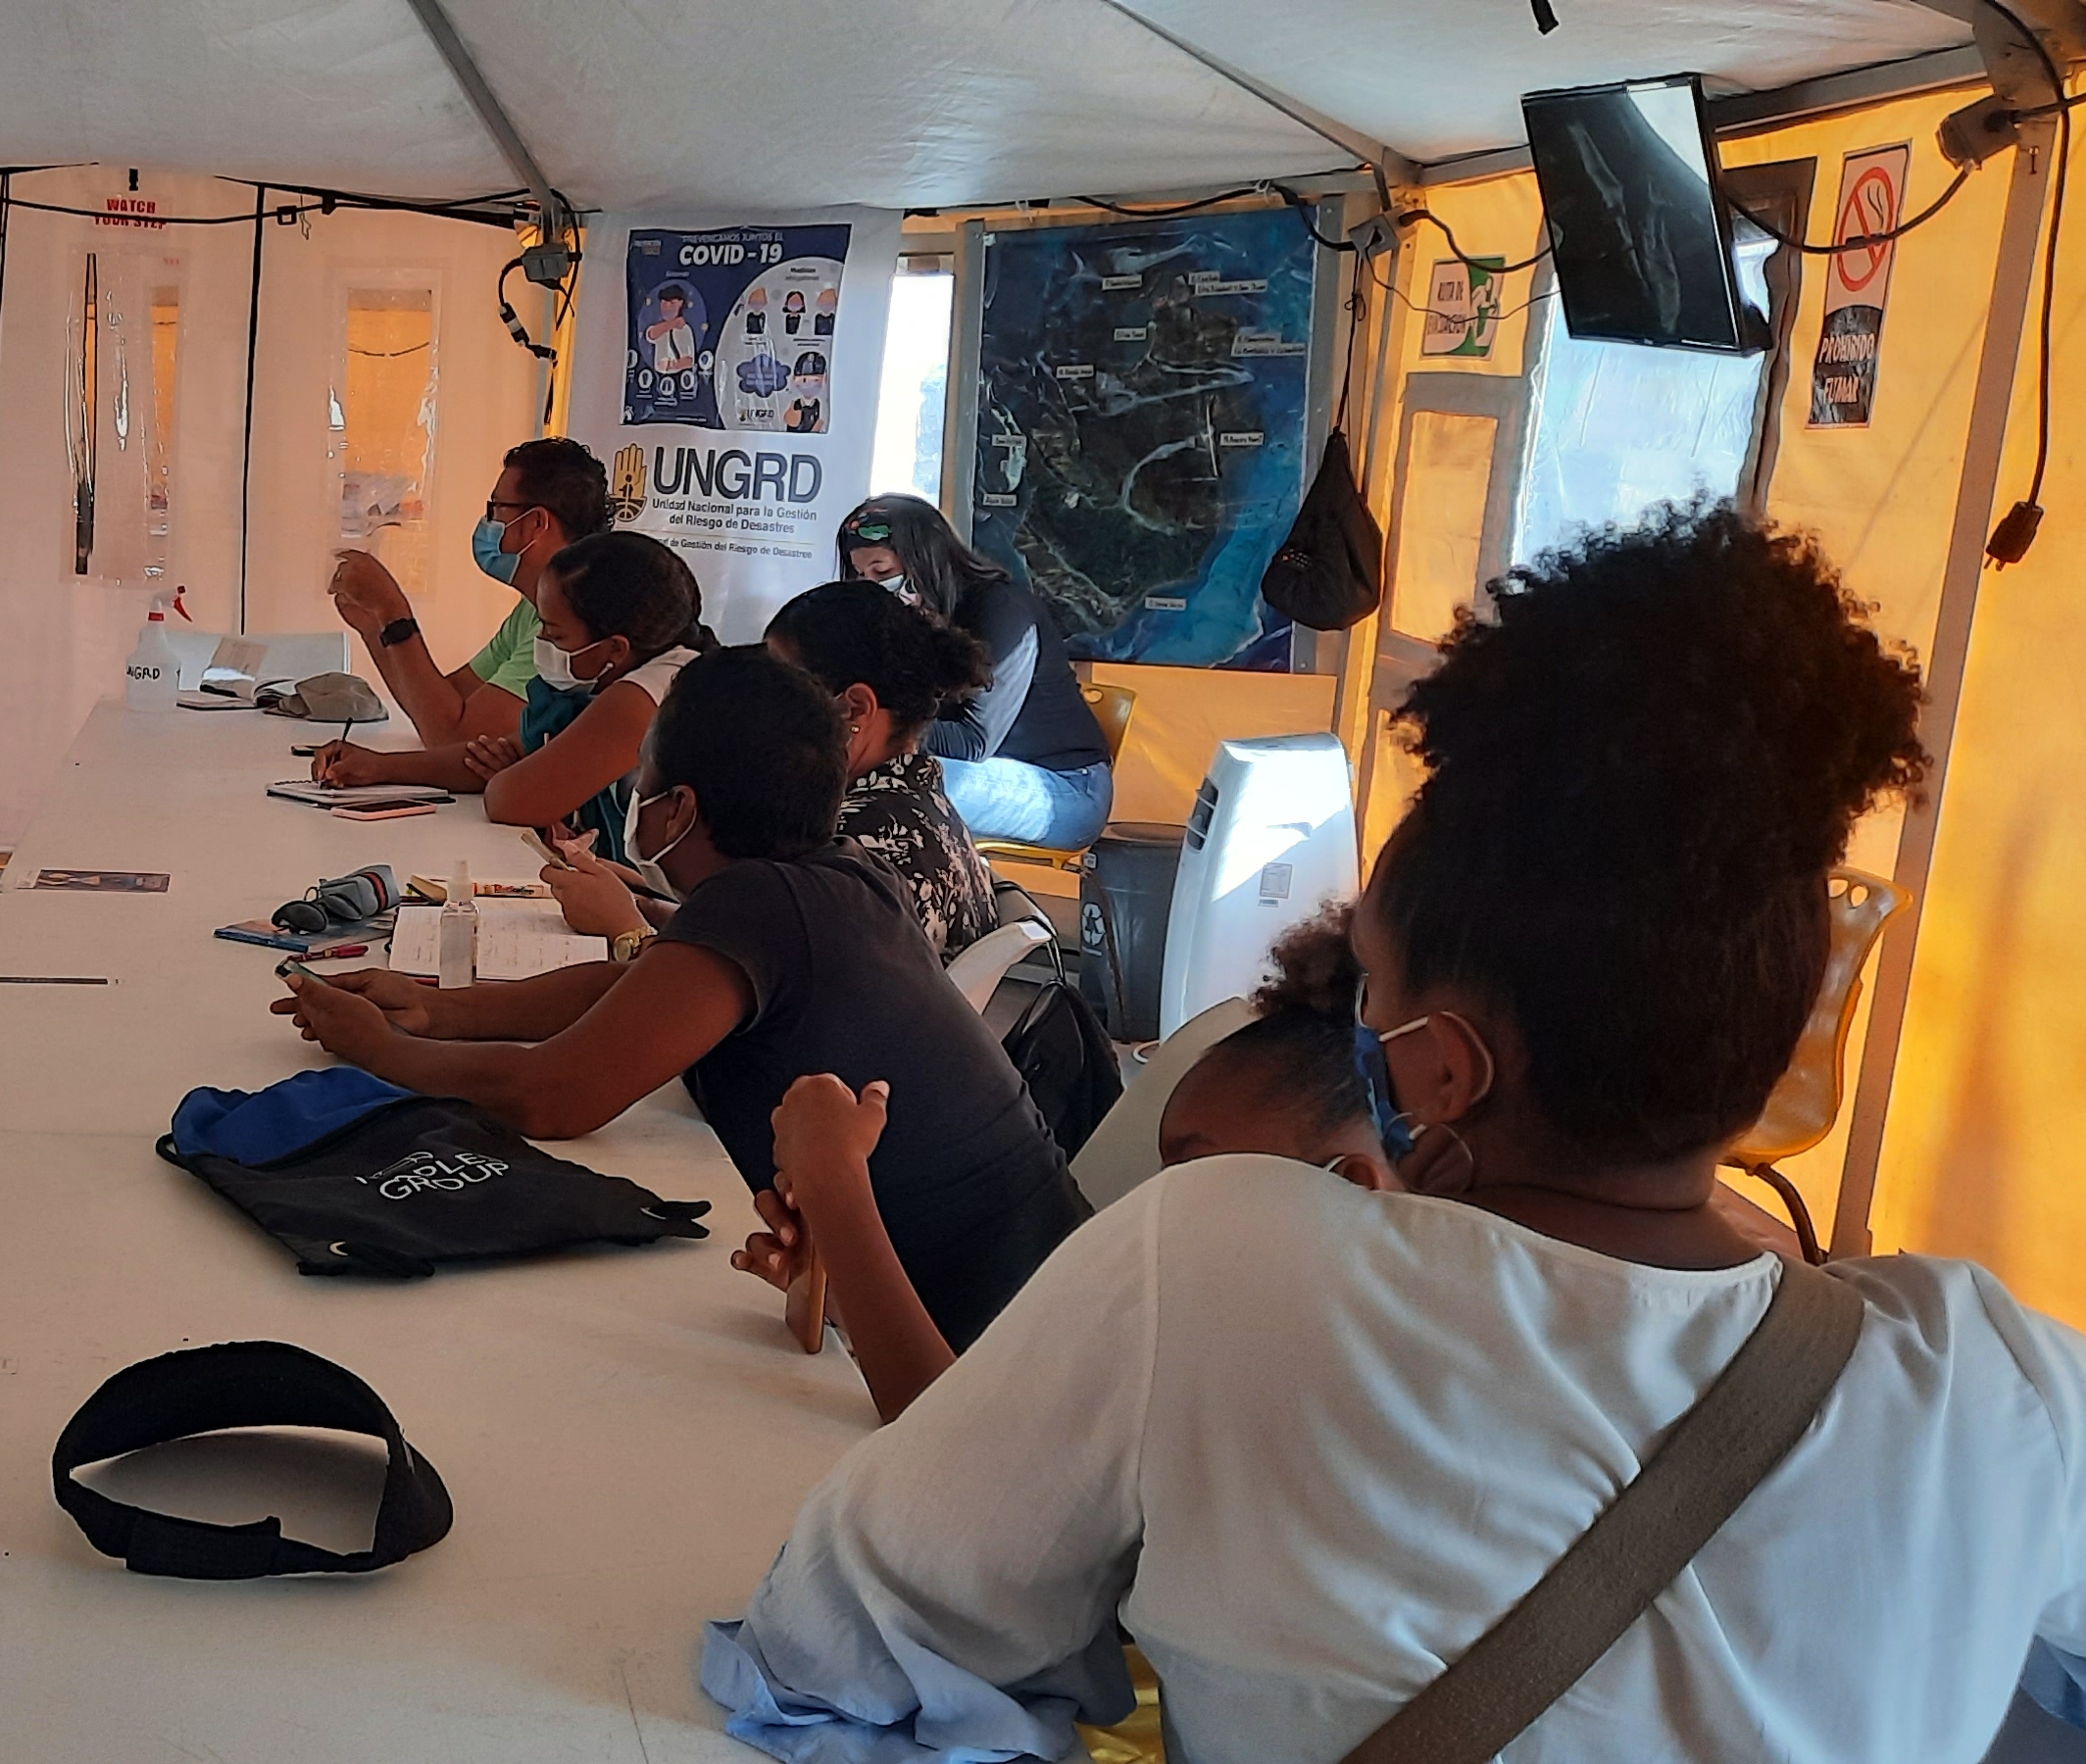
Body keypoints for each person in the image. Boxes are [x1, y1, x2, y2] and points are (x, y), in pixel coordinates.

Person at [694, 507, 2086, 1761]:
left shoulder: (1224, 1258)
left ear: (1441, 1069)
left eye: (1369, 987)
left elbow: (831, 1653)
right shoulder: (1994, 1377)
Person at [274, 647, 1086, 1348]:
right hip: (1037, 1285)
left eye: (646, 774)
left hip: (977, 1331)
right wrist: (442, 1010)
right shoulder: (836, 872)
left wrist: (383, 1050)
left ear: (681, 807)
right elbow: (646, 987)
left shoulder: (757, 904)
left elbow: (553, 1096)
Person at [741, 912, 1400, 1425]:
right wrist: (843, 1292)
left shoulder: (1275, 1399)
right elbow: (974, 1409)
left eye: (1197, 1175)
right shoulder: (1180, 1321)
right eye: (1164, 1175)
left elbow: (951, 1435)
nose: (1154, 1205)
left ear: (1344, 1190)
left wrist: (837, 1188)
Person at [317, 531, 710, 860]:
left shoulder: (646, 695)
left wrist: (517, 775)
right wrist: (380, 767)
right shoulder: (601, 677)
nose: (542, 643)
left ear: (615, 649)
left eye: (554, 634)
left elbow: (511, 800)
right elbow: (498, 753)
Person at [837, 494, 1115, 850]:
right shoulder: (910, 616)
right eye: (861, 576)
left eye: (883, 572)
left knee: (880, 781)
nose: (872, 586)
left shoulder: (1003, 609)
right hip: (985, 773)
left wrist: (872, 727)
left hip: (1066, 791)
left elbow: (972, 741)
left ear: (924, 560)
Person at [323, 437, 616, 748]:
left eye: (496, 508)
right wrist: (376, 627)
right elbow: (437, 707)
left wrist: (393, 610)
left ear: (536, 523)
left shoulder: (575, 618)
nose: (487, 522)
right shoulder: (530, 610)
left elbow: (456, 738)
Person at [763, 578, 1002, 956]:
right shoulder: (922, 808)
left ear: (854, 708)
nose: (763, 710)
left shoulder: (851, 845)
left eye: (780, 691)